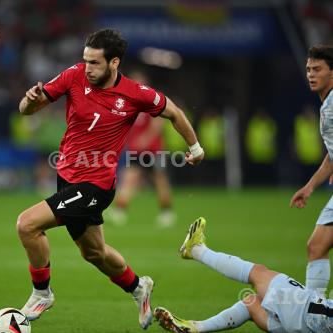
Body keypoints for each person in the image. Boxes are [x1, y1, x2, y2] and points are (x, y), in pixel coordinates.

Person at [17, 28, 204, 330]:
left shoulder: (135, 93)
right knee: (94, 253)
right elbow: (27, 110)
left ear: (114, 62)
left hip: (95, 186)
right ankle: (138, 287)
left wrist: (194, 147)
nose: (87, 68)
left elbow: (175, 113)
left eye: (95, 63)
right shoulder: (74, 75)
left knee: (27, 224)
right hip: (66, 176)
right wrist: (29, 101)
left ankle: (42, 293)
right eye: (85, 60)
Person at [154, 218, 332, 333]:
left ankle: (196, 250)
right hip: (314, 324)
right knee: (253, 303)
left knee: (259, 274)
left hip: (317, 316)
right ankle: (195, 327)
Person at [106, 70, 176, 227]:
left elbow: (158, 124)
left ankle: (167, 212)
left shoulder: (152, 99)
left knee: (159, 181)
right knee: (129, 178)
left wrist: (144, 140)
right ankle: (119, 211)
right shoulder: (129, 101)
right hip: (136, 150)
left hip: (153, 150)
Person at [290, 45, 333, 297]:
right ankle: (316, 312)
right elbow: (331, 154)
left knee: (316, 246)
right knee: (316, 246)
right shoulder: (326, 104)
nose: (311, 74)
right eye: (308, 69)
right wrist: (309, 187)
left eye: (317, 69)